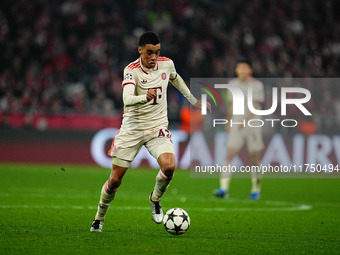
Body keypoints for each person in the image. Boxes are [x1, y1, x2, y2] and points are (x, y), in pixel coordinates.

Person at [90, 31, 211, 232]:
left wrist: (194, 101)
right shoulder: (131, 70)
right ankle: (99, 218)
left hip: (157, 127)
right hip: (132, 129)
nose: (154, 57)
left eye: (157, 52)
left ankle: (155, 199)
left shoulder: (167, 64)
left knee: (170, 166)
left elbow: (176, 79)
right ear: (140, 50)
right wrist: (144, 97)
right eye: (149, 53)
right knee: (115, 181)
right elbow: (126, 99)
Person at [214, 58, 264, 200]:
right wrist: (228, 122)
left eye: (245, 68)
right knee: (229, 155)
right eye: (239, 68)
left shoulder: (256, 85)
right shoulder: (232, 84)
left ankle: (256, 190)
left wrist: (245, 120)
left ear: (250, 70)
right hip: (236, 124)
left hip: (253, 125)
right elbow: (230, 105)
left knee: (254, 159)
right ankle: (223, 189)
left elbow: (255, 106)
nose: (242, 71)